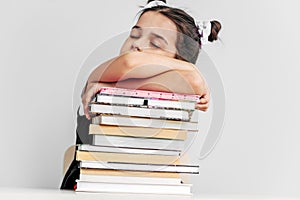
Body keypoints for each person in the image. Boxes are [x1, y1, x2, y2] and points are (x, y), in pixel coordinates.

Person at [60, 0, 221, 190]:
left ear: (177, 61)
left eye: (155, 44)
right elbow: (128, 63)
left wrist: (189, 71)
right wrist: (189, 69)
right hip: (93, 177)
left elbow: (192, 82)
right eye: (134, 35)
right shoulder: (103, 75)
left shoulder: (183, 78)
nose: (136, 44)